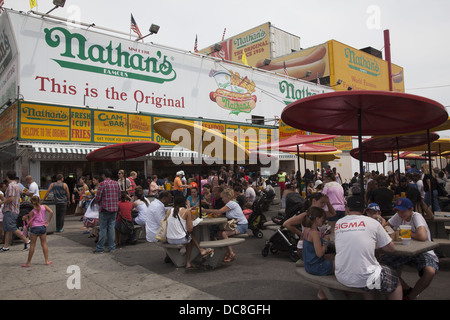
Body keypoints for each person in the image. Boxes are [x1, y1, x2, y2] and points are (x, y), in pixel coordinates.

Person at [334, 197, 402, 300]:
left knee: (367, 268)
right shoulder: (372, 223)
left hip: (342, 276)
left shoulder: (338, 223)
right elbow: (390, 249)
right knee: (395, 281)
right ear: (364, 211)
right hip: (365, 277)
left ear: (347, 209)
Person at [382, 198, 439, 300]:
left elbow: (422, 236)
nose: (400, 213)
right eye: (398, 210)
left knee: (430, 272)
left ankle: (410, 297)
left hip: (423, 251)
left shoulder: (416, 217)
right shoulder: (398, 216)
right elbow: (384, 227)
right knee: (382, 264)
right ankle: (406, 288)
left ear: (411, 209)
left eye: (403, 211)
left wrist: (406, 232)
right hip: (406, 251)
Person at [283, 192, 336, 258]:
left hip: (315, 245)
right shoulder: (306, 215)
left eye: (324, 204)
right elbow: (286, 224)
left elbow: (333, 213)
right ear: (314, 201)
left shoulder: (319, 213)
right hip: (309, 248)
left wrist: (328, 202)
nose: (323, 205)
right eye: (321, 203)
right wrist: (301, 234)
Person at [166, 195, 213, 269]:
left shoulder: (169, 211)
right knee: (190, 237)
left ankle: (200, 250)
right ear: (184, 202)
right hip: (179, 239)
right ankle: (188, 262)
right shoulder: (186, 211)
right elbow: (190, 229)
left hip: (169, 239)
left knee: (189, 235)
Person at [203, 189, 248, 262]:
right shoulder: (231, 203)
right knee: (219, 233)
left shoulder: (231, 203)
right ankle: (226, 252)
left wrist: (205, 210)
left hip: (241, 225)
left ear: (228, 197)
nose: (222, 199)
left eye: (223, 198)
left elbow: (220, 211)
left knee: (224, 233)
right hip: (235, 224)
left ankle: (231, 253)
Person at [301, 206, 335, 300]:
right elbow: (319, 253)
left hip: (309, 264)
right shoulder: (315, 233)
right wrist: (326, 241)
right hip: (316, 267)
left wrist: (321, 238)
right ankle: (324, 292)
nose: (323, 222)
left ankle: (323, 290)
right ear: (317, 219)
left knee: (333, 257)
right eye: (323, 219)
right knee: (341, 263)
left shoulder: (307, 230)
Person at [0, 171, 31, 252]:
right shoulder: (16, 185)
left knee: (12, 228)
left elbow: (11, 198)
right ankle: (5, 246)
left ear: (7, 177)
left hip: (10, 209)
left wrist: (2, 202)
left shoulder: (11, 186)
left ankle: (27, 241)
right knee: (8, 229)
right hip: (13, 209)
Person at [93, 169, 121, 253]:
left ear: (104, 175)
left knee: (103, 229)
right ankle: (111, 247)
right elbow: (119, 195)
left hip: (104, 209)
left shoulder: (102, 184)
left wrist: (96, 202)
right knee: (111, 228)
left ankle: (100, 248)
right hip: (114, 209)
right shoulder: (116, 184)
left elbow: (98, 197)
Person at [22, 196, 53, 267]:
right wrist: (48, 221)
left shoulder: (32, 212)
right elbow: (51, 212)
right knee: (44, 244)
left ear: (31, 203)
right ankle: (47, 260)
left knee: (32, 245)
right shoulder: (44, 207)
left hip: (35, 228)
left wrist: (26, 219)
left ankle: (28, 262)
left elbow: (30, 224)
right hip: (43, 227)